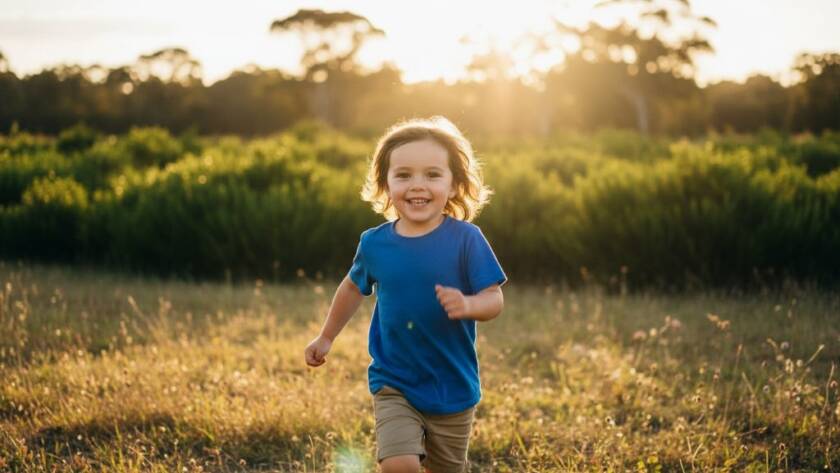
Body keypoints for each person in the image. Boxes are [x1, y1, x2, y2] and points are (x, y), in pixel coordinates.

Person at [304, 116, 506, 473]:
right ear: (385, 183)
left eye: (432, 174)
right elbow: (352, 287)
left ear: (454, 183)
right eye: (404, 175)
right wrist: (326, 336)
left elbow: (494, 299)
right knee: (399, 464)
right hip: (394, 381)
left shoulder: (467, 239)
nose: (418, 185)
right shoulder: (375, 243)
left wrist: (470, 304)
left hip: (452, 387)